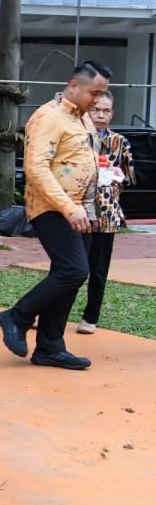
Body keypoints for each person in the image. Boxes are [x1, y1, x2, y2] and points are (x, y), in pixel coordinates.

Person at [0, 61, 110, 371]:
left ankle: (50, 346)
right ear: (73, 86)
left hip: (81, 209)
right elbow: (35, 169)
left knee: (69, 276)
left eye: (102, 94)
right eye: (94, 93)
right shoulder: (48, 117)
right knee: (74, 270)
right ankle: (17, 316)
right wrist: (69, 207)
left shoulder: (82, 119)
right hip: (52, 207)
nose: (97, 101)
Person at [77, 91, 136, 335]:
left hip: (107, 212)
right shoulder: (76, 138)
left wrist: (114, 177)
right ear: (86, 111)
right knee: (70, 268)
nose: (101, 115)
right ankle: (52, 313)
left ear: (112, 113)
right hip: (78, 211)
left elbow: (129, 175)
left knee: (99, 270)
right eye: (96, 110)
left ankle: (90, 318)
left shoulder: (120, 141)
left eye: (106, 111)